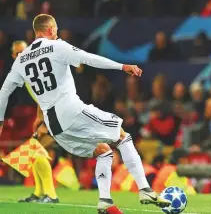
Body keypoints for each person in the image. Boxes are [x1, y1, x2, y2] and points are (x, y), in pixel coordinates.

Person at [0, 14, 170, 214]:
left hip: (55, 127)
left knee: (103, 151)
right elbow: (89, 59)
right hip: (71, 111)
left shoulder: (21, 60)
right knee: (124, 136)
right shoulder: (57, 46)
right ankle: (145, 189)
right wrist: (122, 66)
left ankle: (105, 202)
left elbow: (4, 92)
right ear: (51, 29)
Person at [10, 40, 59, 203]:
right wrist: (39, 117)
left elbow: (51, 96)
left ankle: (51, 195)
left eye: (24, 52)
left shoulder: (34, 70)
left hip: (60, 117)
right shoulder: (26, 73)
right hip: (52, 116)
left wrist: (45, 123)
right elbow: (41, 99)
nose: (21, 55)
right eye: (18, 53)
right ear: (12, 56)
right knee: (35, 151)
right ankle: (39, 193)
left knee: (37, 150)